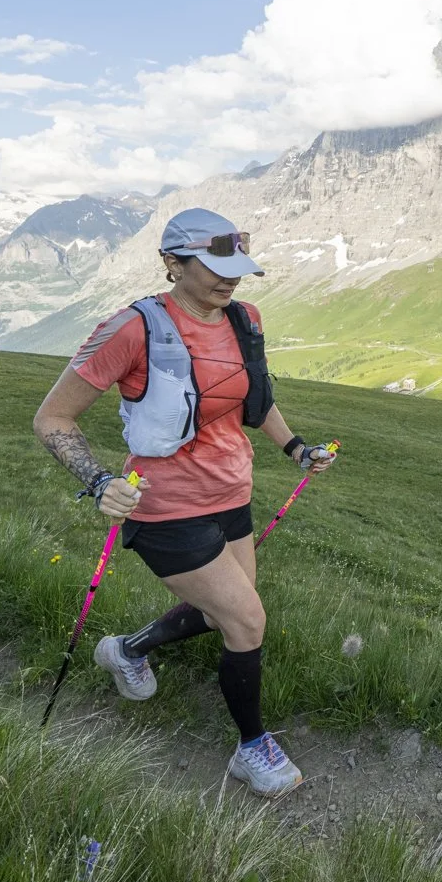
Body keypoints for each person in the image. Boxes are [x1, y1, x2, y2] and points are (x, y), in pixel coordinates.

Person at [33, 207, 337, 797]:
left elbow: (256, 400)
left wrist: (295, 448)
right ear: (173, 264)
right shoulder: (132, 328)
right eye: (213, 267)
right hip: (165, 504)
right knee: (247, 622)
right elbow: (52, 418)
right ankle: (252, 748)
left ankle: (126, 651)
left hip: (232, 492)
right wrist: (99, 482)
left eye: (237, 268)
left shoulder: (245, 319)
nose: (231, 280)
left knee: (222, 610)